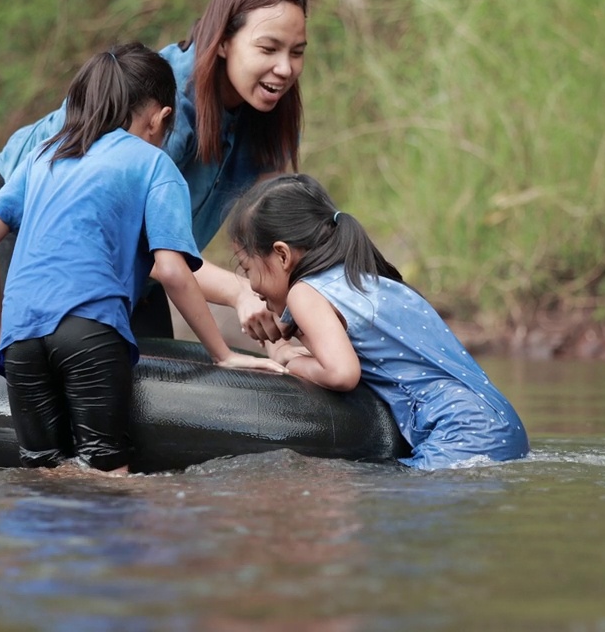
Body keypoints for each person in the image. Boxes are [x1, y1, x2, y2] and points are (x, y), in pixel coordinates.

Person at [0, 43, 286, 475]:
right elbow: (172, 270)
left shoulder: (47, 154)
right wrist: (221, 354)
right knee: (110, 473)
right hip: (89, 330)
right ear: (162, 117)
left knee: (43, 472)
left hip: (21, 339)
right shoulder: (153, 164)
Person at [0, 0, 309, 343]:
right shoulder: (161, 113)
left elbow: (267, 237)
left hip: (139, 255)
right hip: (31, 225)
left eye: (296, 52)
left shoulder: (273, 119)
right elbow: (137, 240)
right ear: (224, 40)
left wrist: (283, 326)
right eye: (268, 48)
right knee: (38, 365)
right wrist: (238, 291)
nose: (284, 68)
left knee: (154, 381)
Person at [226, 174, 531, 470]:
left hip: (460, 431)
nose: (251, 285)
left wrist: (286, 358)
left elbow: (342, 373)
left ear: (281, 255)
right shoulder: (368, 280)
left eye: (247, 267)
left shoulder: (305, 293)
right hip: (498, 422)